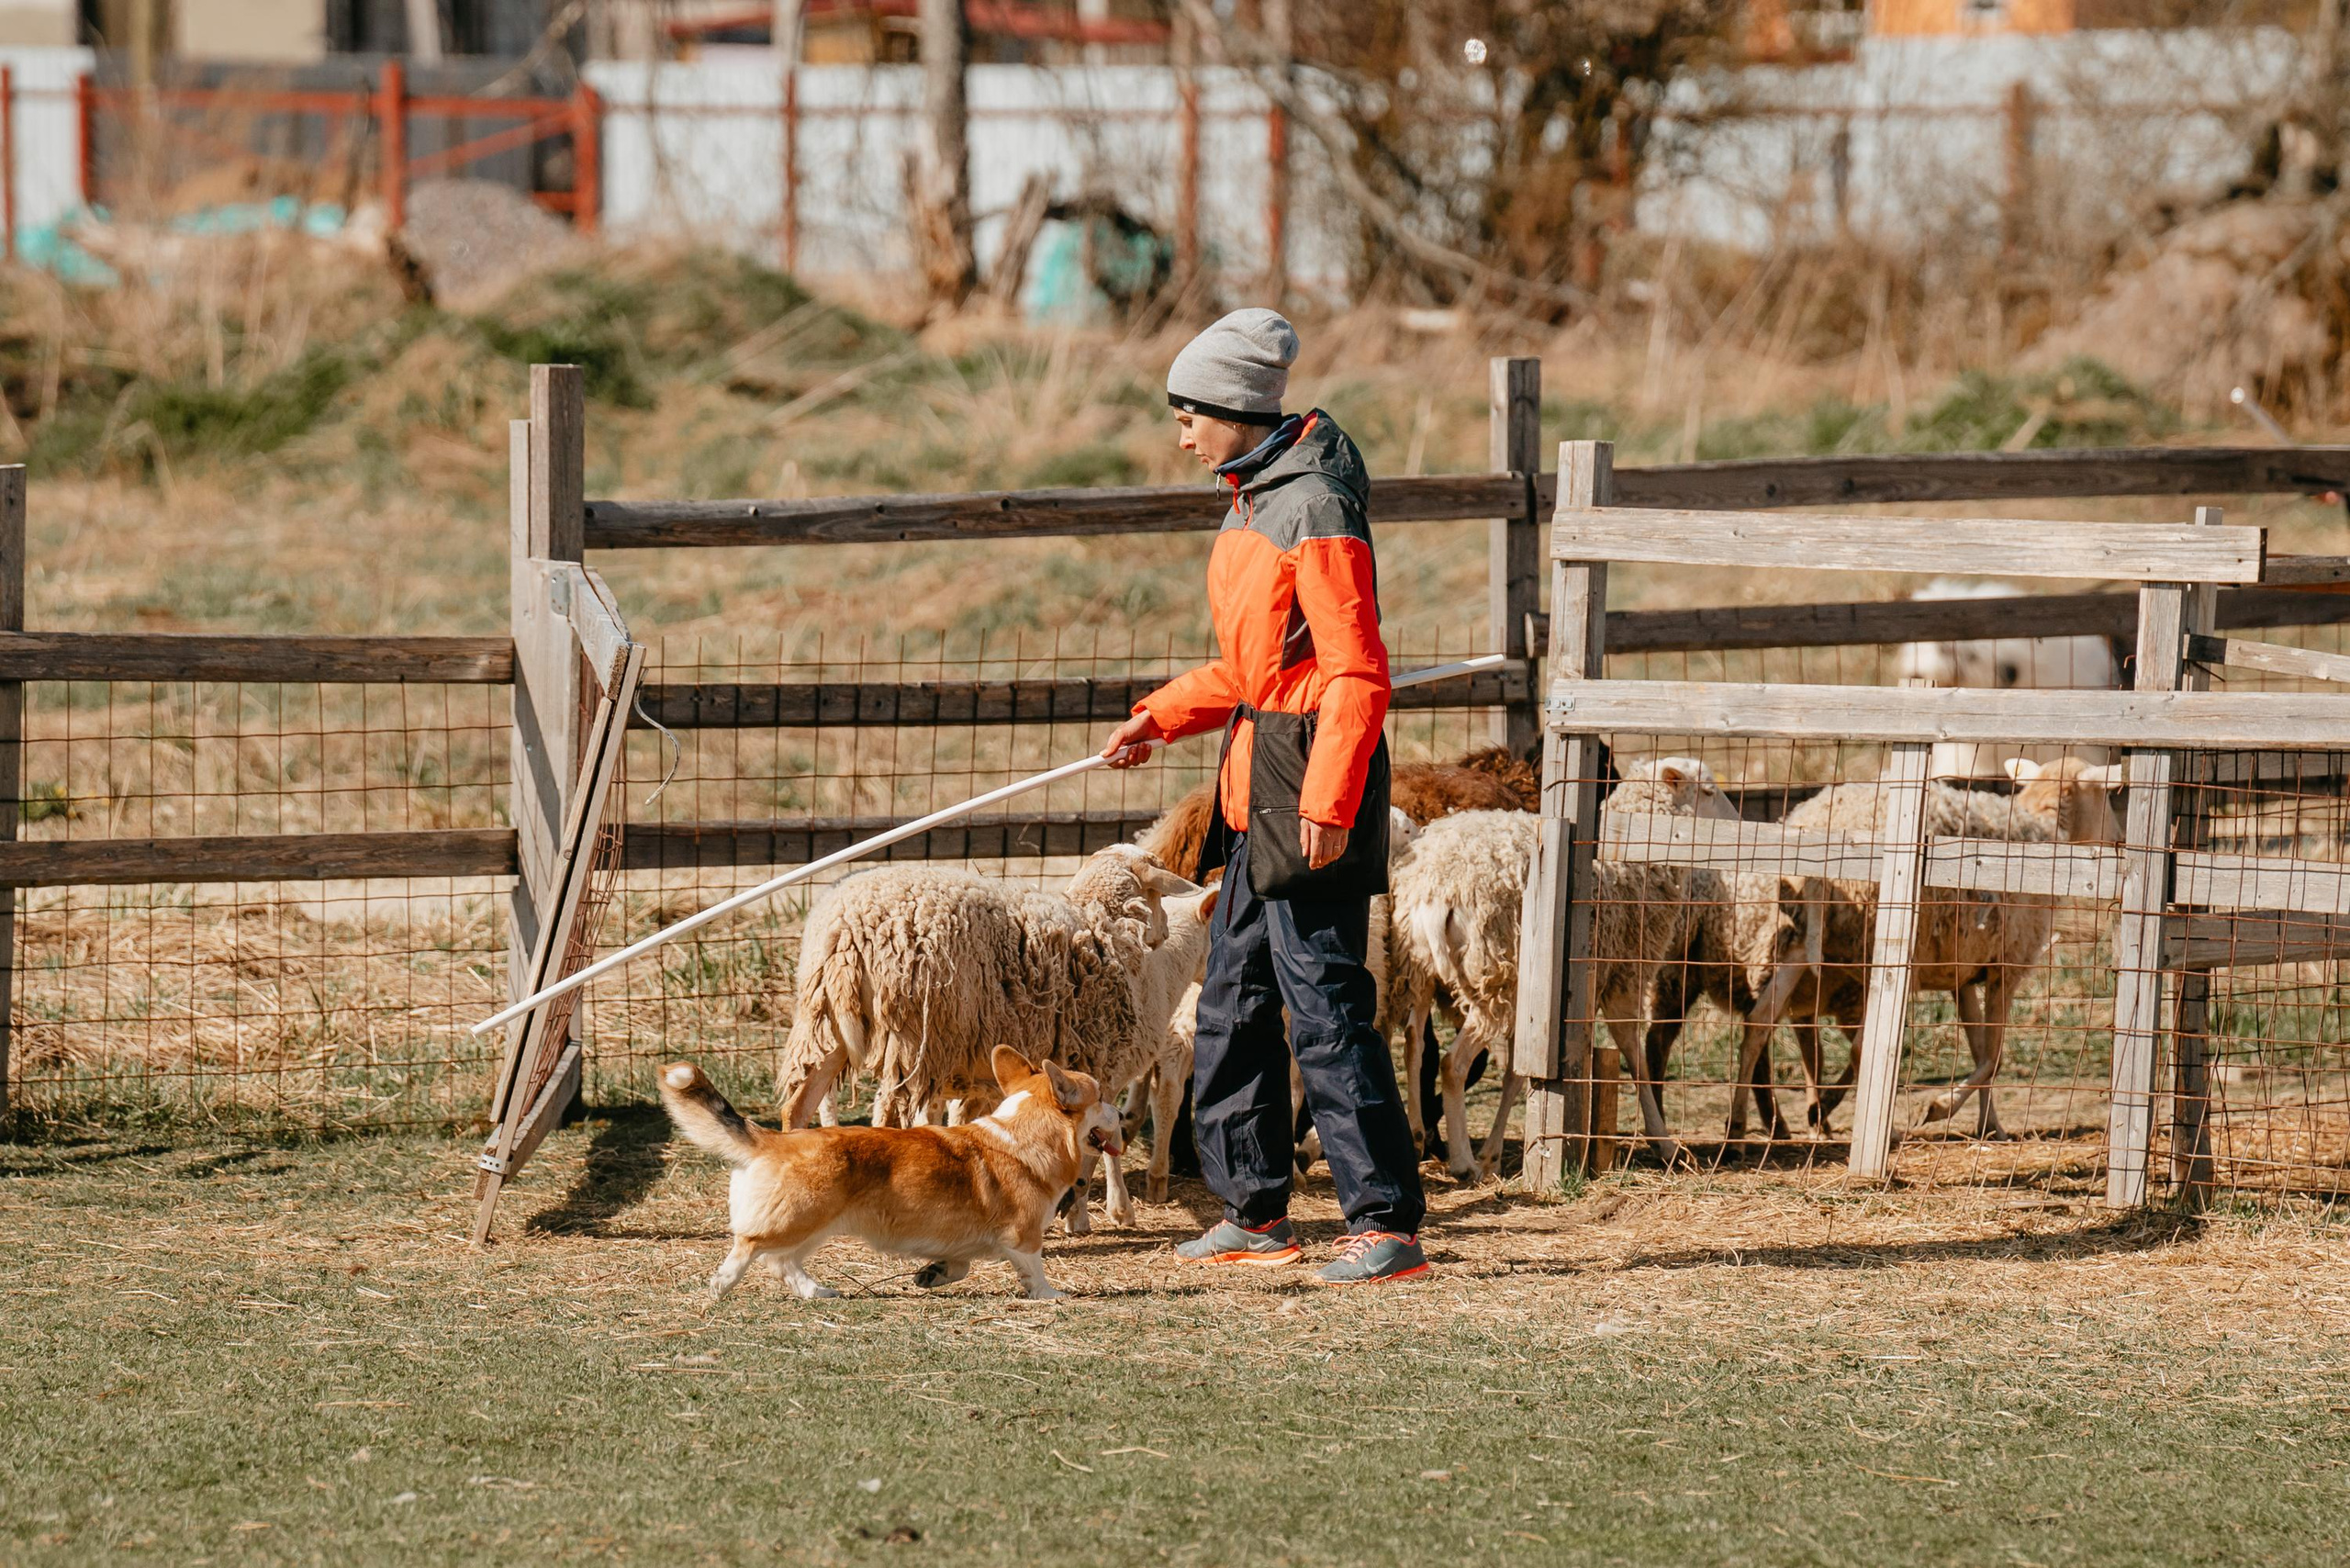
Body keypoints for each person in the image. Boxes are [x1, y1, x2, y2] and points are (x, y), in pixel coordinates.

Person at [1100, 308, 1428, 1285]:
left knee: (1325, 1005)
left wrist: (1329, 803)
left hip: (1305, 783)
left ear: (1237, 410)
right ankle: (1252, 1209)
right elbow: (1253, 671)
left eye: (1188, 412)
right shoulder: (1252, 497)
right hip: (1254, 780)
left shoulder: (1315, 504)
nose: (1180, 432)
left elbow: (1355, 671)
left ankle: (1383, 1222)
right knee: (1233, 1003)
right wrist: (1157, 716)